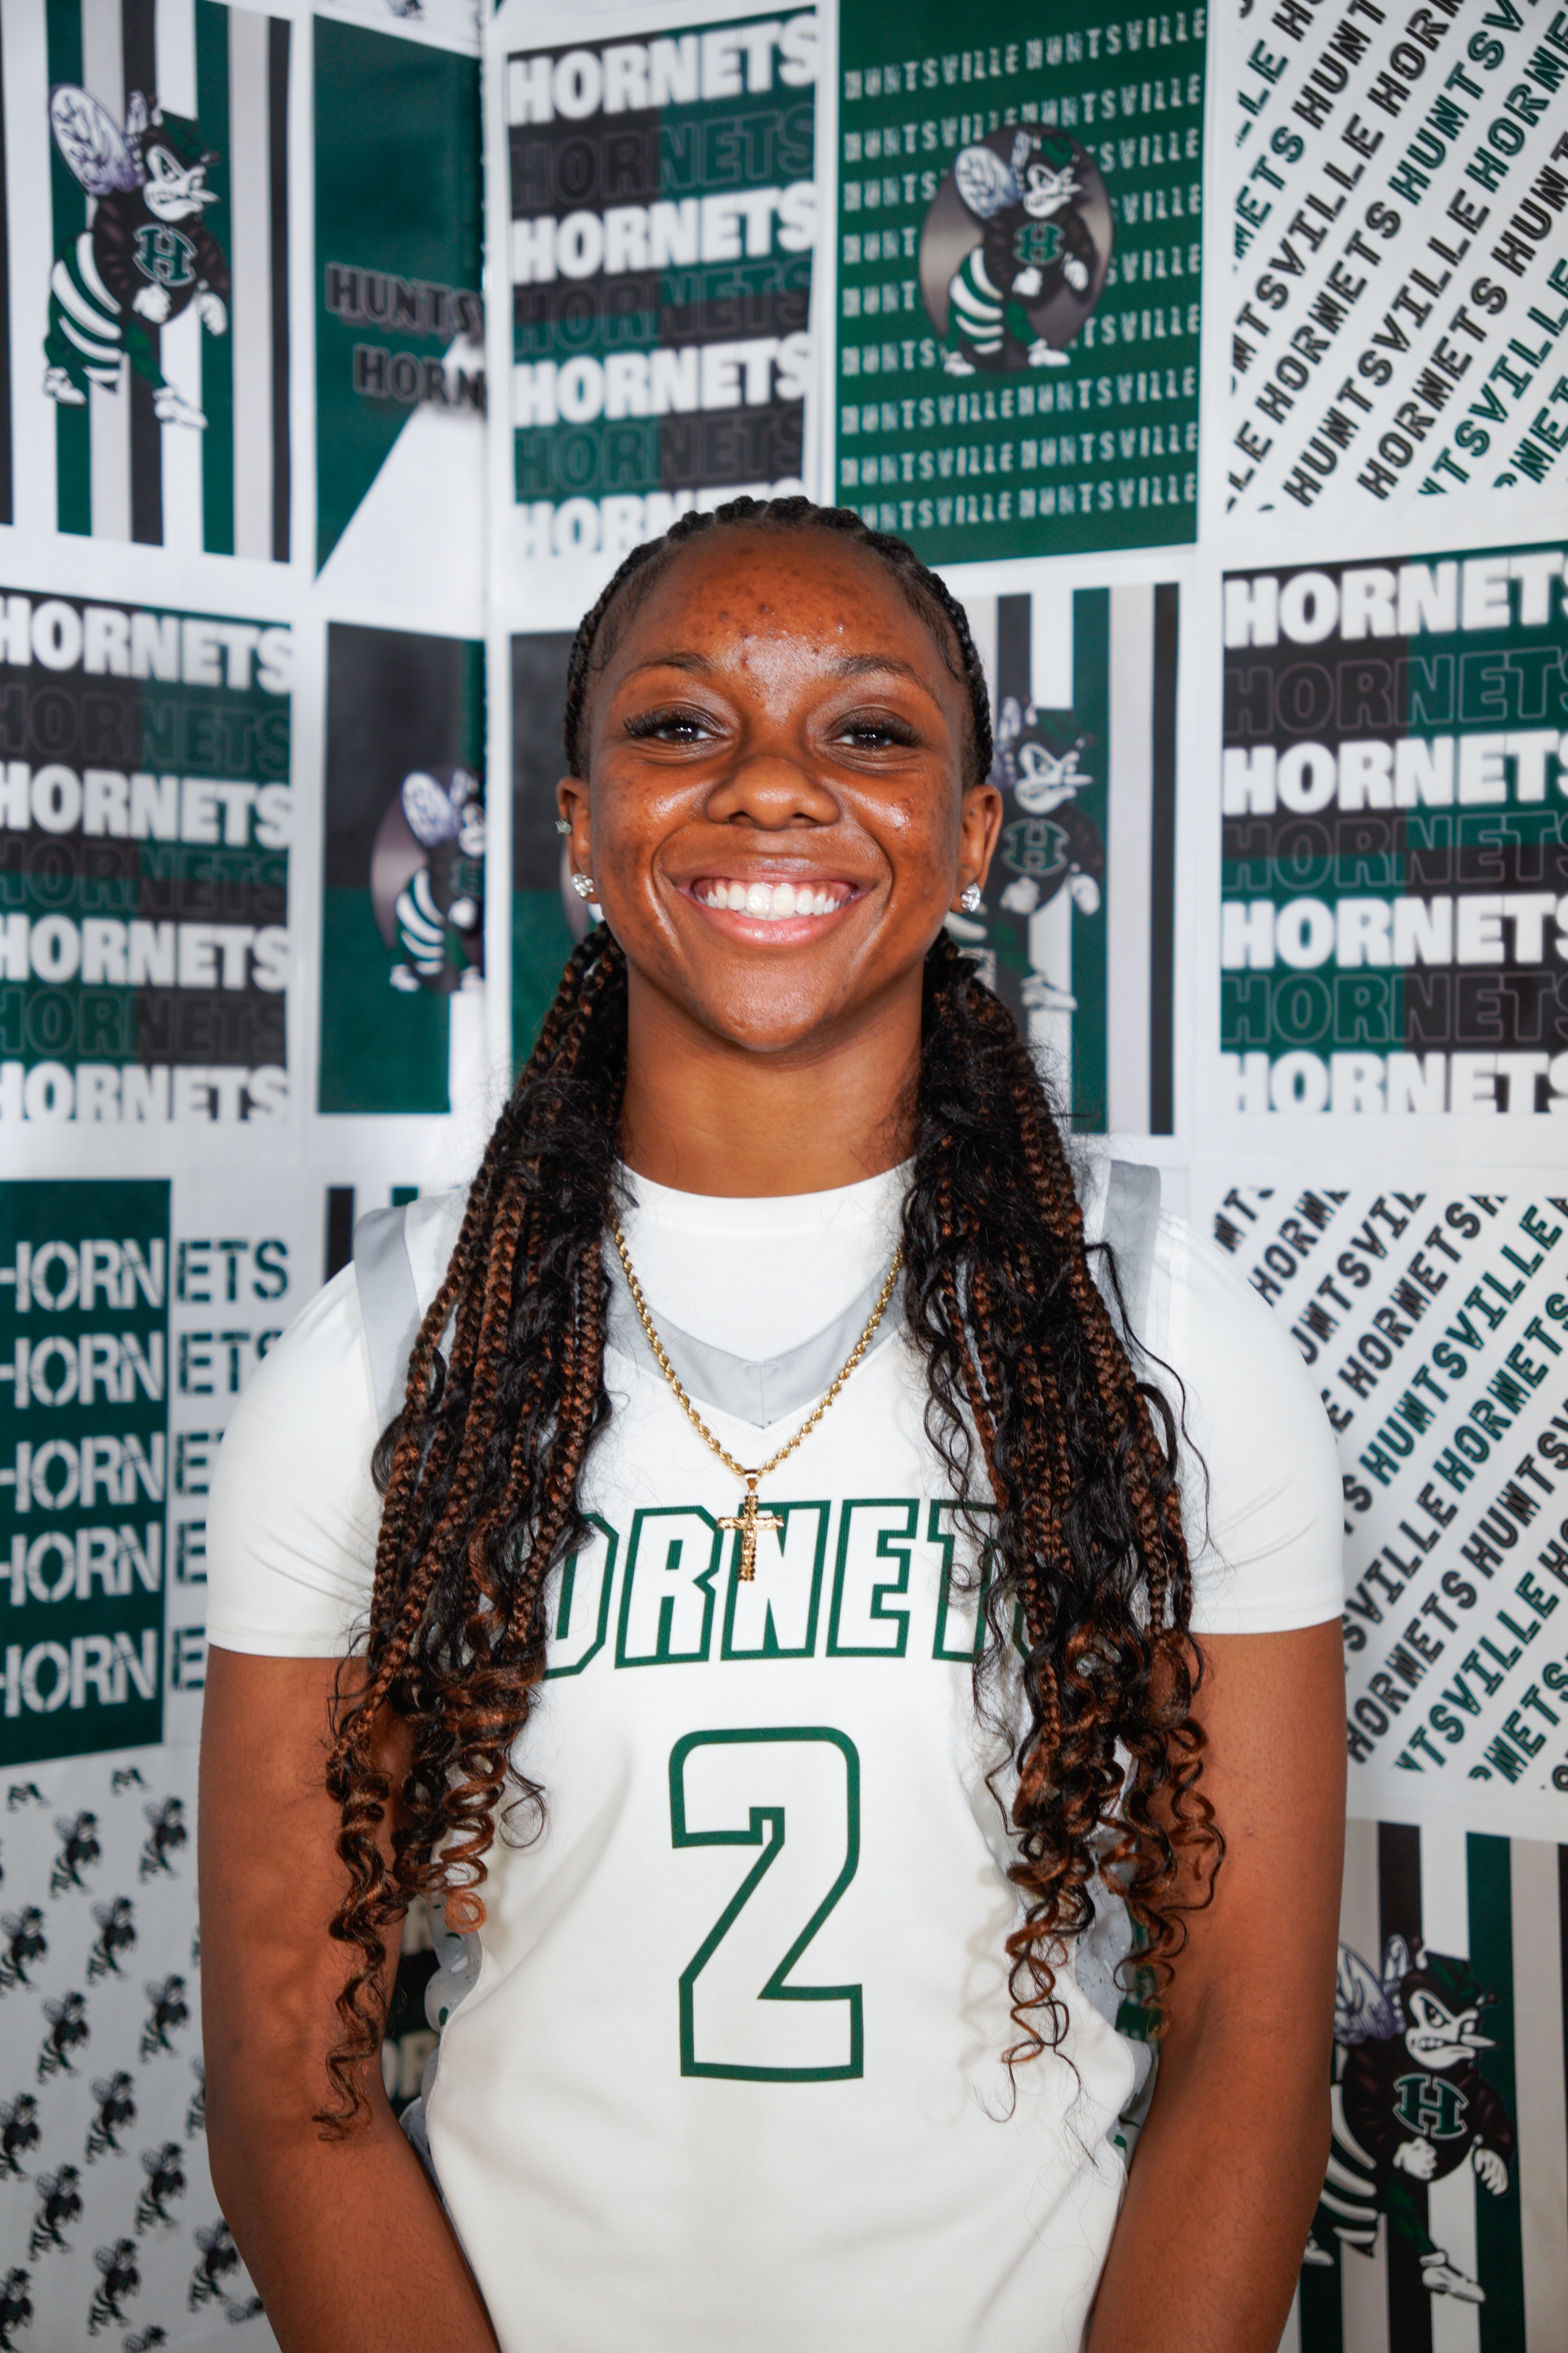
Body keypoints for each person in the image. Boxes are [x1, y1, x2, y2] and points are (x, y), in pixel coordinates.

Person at [199, 497, 1346, 2353]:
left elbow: (1251, 2034)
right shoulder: (390, 1354)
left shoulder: (1163, 1333)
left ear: (972, 834)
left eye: (868, 732)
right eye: (679, 725)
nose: (770, 787)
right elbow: (287, 2073)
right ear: (578, 826)